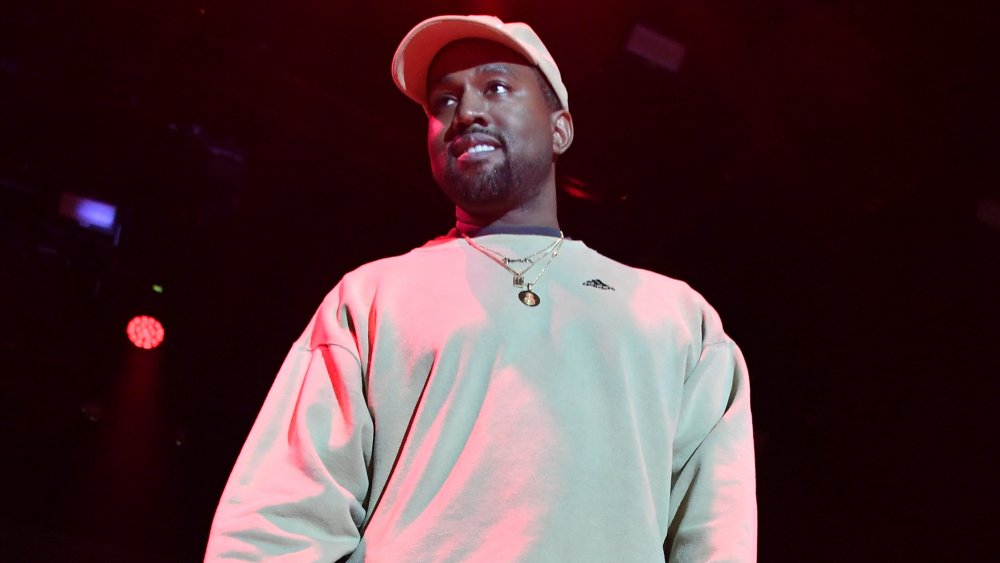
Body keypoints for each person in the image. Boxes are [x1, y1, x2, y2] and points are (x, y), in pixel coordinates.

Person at [206, 15, 756, 562]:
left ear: (560, 127)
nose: (466, 112)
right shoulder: (370, 297)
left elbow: (716, 534)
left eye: (496, 87)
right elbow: (277, 525)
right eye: (443, 102)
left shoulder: (677, 316)